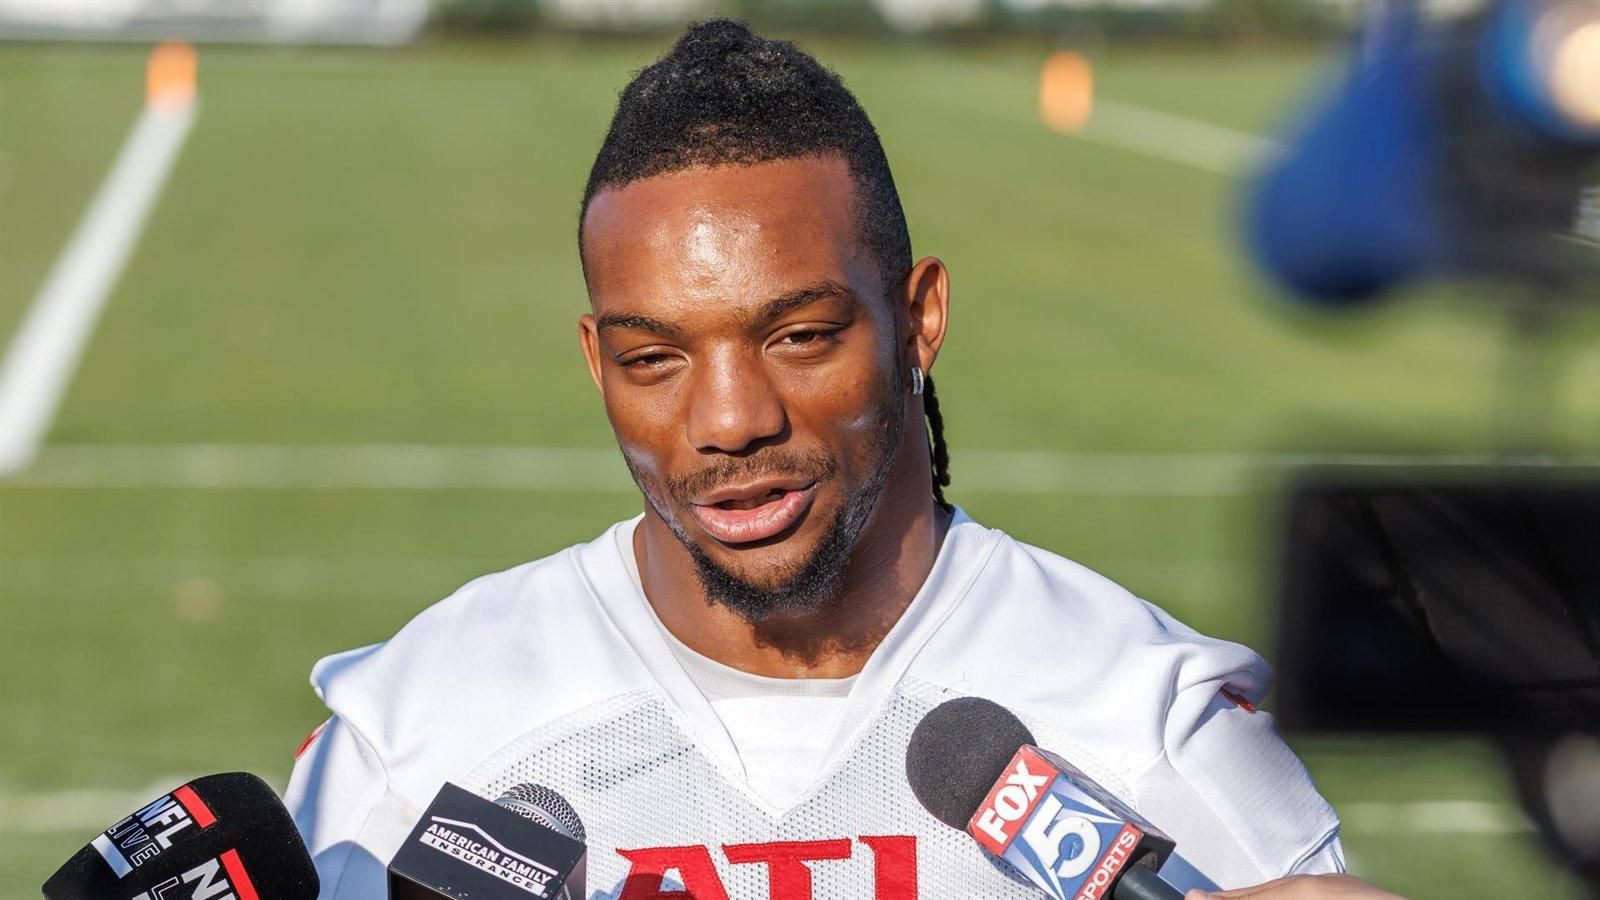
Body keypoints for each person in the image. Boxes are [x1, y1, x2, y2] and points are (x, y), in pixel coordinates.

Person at [286, 19, 1390, 899]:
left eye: (798, 337)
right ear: (595, 360)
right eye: (654, 356)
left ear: (919, 321)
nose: (728, 421)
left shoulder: (1141, 725)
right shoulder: (420, 731)